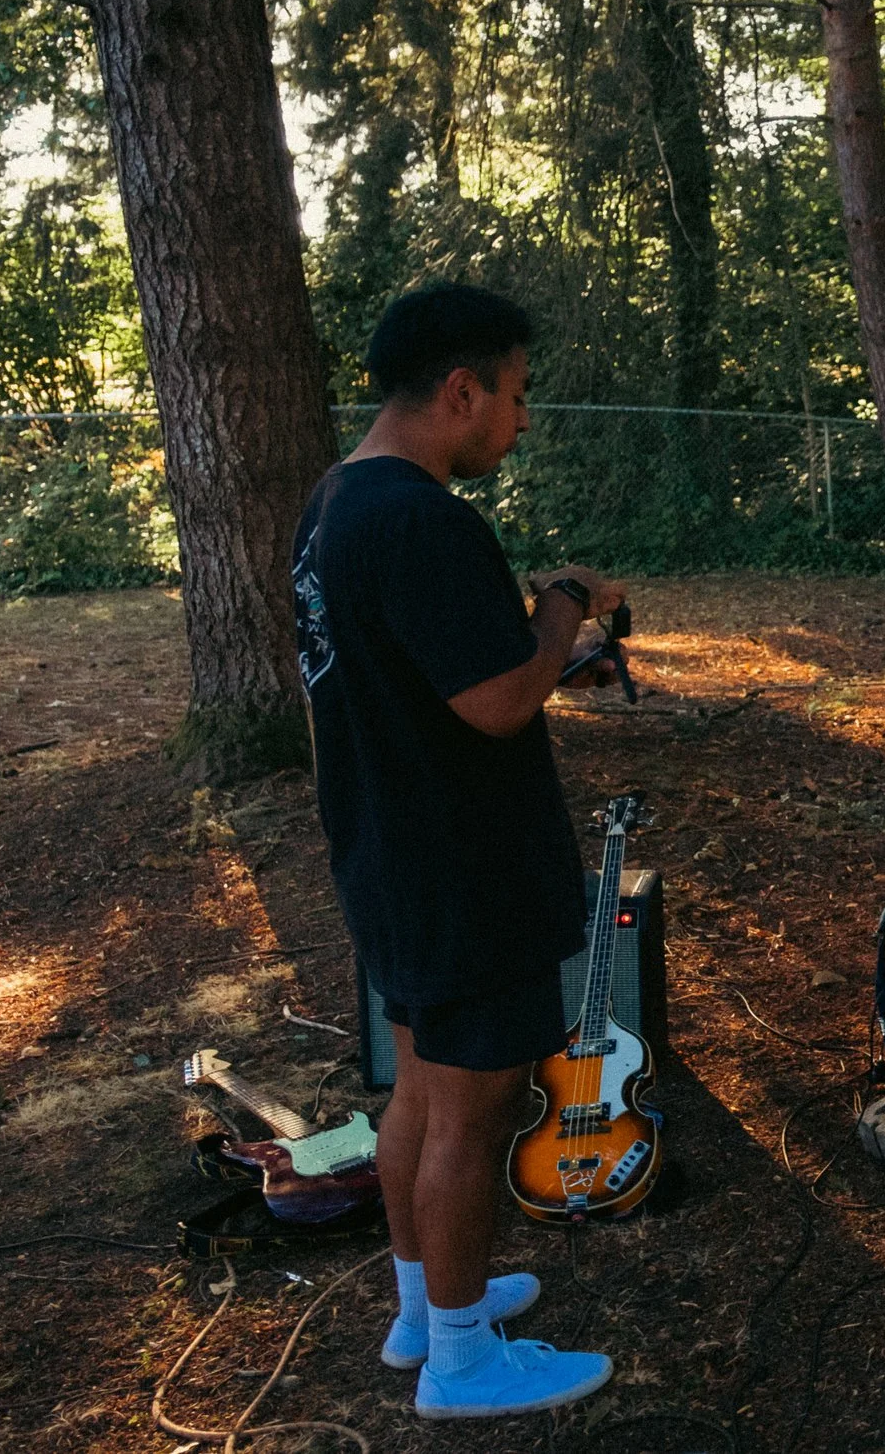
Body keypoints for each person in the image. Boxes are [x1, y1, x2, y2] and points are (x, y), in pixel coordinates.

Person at [291, 283, 622, 1420]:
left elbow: (411, 678)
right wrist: (564, 603)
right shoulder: (423, 520)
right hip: (464, 871)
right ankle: (464, 1361)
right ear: (461, 389)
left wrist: (539, 640)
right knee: (473, 1117)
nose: (521, 421)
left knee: (419, 1093)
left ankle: (424, 1305)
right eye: (516, 396)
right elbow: (497, 700)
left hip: (388, 855)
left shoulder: (334, 501)